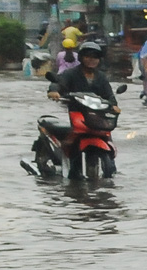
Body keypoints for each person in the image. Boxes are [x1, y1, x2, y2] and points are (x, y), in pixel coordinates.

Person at [50, 38, 120, 179]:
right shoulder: (71, 73)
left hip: (98, 115)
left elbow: (109, 95)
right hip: (78, 112)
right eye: (88, 56)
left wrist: (114, 106)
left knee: (107, 136)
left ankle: (111, 167)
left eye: (95, 57)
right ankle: (74, 174)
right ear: (81, 57)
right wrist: (54, 91)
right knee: (75, 145)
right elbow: (59, 83)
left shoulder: (101, 77)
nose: (91, 60)